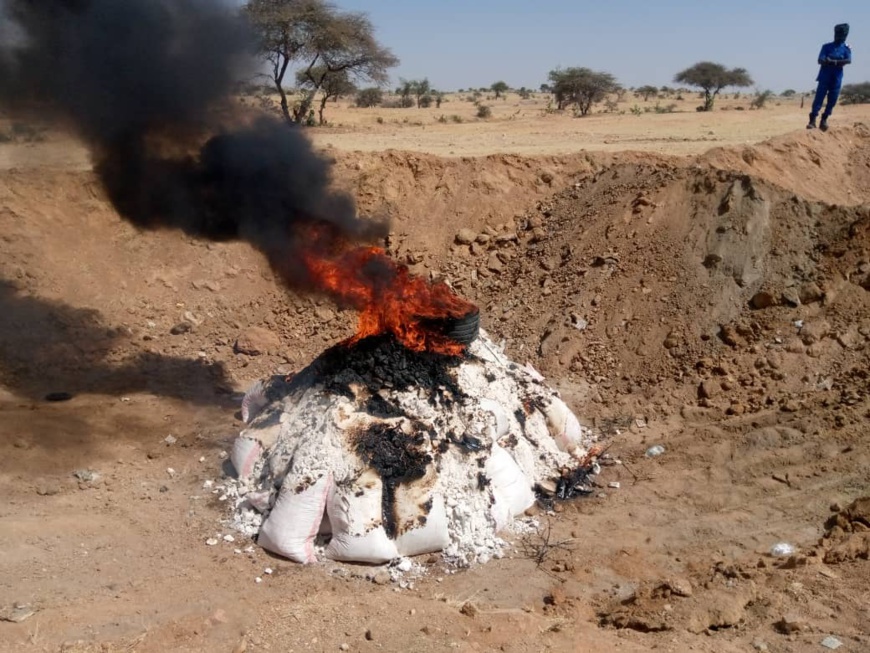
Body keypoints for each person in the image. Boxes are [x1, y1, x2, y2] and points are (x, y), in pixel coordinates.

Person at [808, 23, 852, 131]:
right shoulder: (826, 46)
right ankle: (812, 120)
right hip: (824, 76)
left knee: (833, 99)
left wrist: (833, 61)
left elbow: (848, 60)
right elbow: (820, 60)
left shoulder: (846, 48)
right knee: (819, 98)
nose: (841, 36)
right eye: (839, 33)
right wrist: (834, 62)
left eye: (843, 34)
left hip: (836, 78)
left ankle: (824, 119)